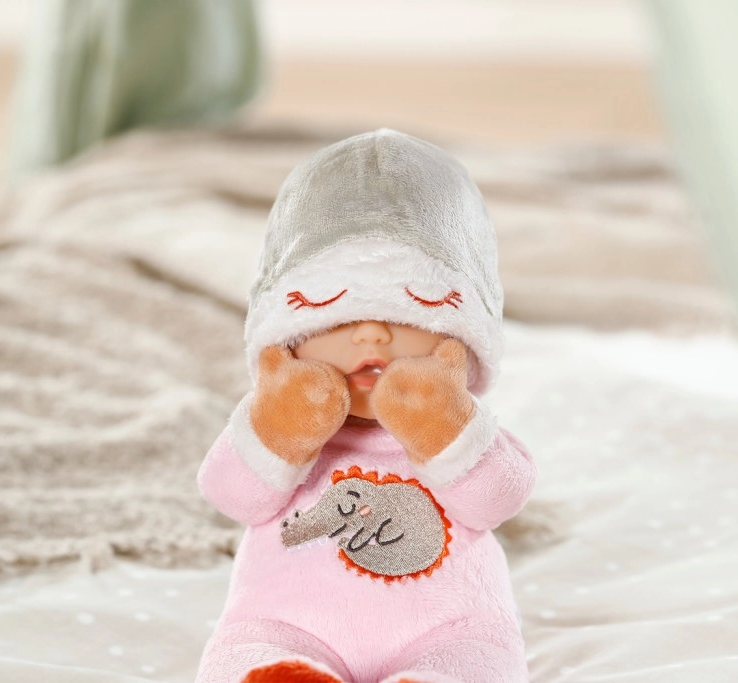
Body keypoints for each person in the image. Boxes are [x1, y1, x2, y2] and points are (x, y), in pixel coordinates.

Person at [195, 129, 536, 683]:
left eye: (410, 311)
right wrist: (278, 430)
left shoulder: (463, 428)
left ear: (461, 342)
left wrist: (447, 430)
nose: (372, 334)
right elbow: (231, 495)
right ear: (286, 340)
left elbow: (497, 498)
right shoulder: (280, 427)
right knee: (250, 654)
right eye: (334, 311)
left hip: (449, 628)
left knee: (477, 661)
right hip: (287, 622)